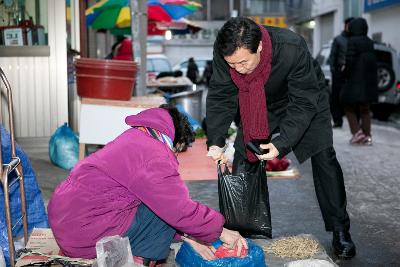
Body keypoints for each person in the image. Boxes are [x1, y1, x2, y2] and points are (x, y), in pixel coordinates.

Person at [206, 17, 356, 259]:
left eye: (243, 62)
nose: (238, 69)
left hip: (305, 99)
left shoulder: (292, 47)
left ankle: (340, 229)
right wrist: (215, 140)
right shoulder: (227, 51)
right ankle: (245, 228)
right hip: (259, 103)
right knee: (246, 154)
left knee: (324, 157)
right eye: (232, 64)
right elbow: (221, 94)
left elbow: (303, 101)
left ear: (260, 48)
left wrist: (282, 142)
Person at [48, 105, 247, 266]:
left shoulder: (133, 138)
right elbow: (178, 209)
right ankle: (139, 260)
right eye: (177, 151)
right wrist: (221, 231)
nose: (175, 156)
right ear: (174, 141)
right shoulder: (154, 154)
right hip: (85, 236)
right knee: (167, 207)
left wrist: (190, 237)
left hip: (68, 225)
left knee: (160, 202)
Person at [342, 17, 377, 145]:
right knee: (365, 109)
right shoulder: (370, 42)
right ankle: (367, 137)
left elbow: (350, 60)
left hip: (355, 80)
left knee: (347, 105)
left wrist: (344, 71)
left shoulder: (352, 41)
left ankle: (357, 133)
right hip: (369, 82)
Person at [328, 17, 354, 128]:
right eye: (348, 25)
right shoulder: (338, 39)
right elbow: (333, 56)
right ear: (345, 26)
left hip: (352, 73)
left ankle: (354, 122)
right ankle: (338, 121)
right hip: (339, 73)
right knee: (336, 98)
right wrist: (334, 71)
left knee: (350, 97)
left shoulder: (355, 39)